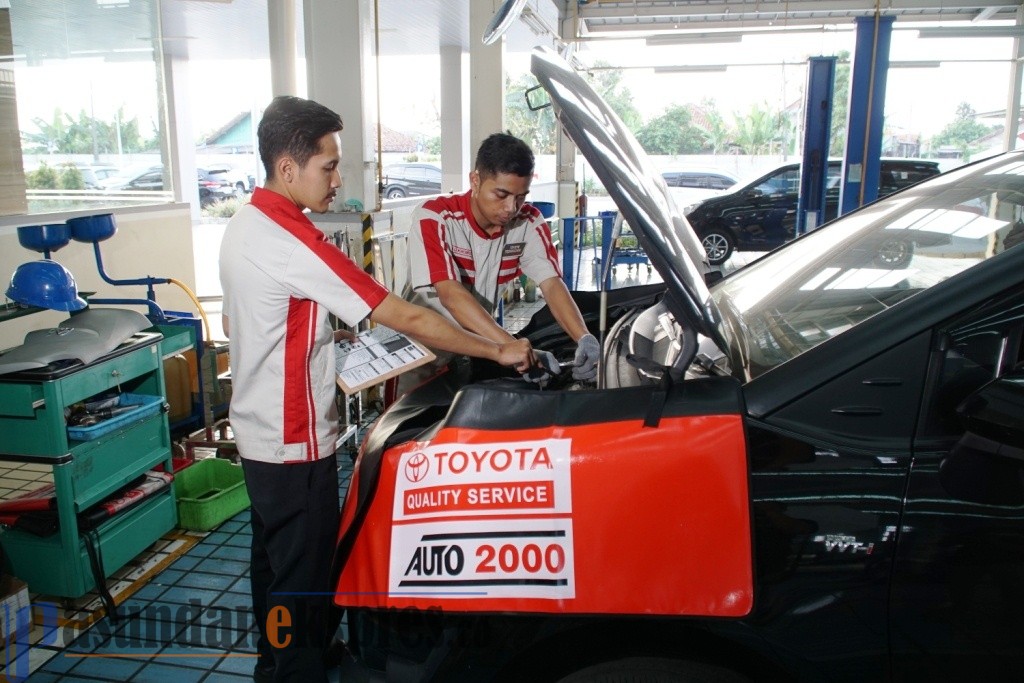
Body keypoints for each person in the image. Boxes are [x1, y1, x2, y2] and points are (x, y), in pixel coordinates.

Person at [218, 96, 533, 683]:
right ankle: (296, 672)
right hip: (296, 442)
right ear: (288, 169)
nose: (339, 179)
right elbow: (404, 315)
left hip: (257, 436)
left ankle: (276, 657)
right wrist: (496, 348)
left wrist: (318, 333)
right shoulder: (294, 241)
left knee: (272, 563)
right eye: (328, 166)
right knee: (305, 576)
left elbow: (245, 321)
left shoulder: (244, 225)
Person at [402, 132, 600, 391]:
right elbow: (450, 294)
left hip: (476, 350)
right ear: (475, 180)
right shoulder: (436, 218)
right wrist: (512, 348)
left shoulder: (528, 223)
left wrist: (582, 336)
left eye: (520, 196)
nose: (511, 207)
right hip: (420, 356)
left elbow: (551, 283)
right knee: (409, 428)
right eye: (501, 194)